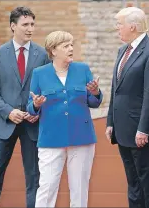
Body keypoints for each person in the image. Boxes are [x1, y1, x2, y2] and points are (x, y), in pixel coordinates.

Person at [0, 7, 50, 208]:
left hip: (32, 125)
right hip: (3, 124)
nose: (30, 29)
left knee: (34, 177)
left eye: (32, 24)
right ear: (13, 26)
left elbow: (47, 89)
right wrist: (8, 111)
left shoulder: (42, 54)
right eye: (25, 24)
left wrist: (36, 110)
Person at [105, 7, 149, 208]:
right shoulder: (122, 51)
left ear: (133, 26)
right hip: (123, 131)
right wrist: (111, 122)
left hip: (143, 133)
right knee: (134, 186)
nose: (117, 28)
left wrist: (144, 129)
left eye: (120, 24)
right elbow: (116, 90)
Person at [27, 30, 102, 207]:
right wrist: (36, 105)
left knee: (79, 188)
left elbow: (93, 102)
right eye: (66, 45)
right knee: (47, 187)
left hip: (81, 137)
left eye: (71, 44)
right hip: (51, 139)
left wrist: (95, 92)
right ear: (53, 50)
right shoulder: (39, 73)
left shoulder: (82, 69)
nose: (71, 48)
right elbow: (30, 106)